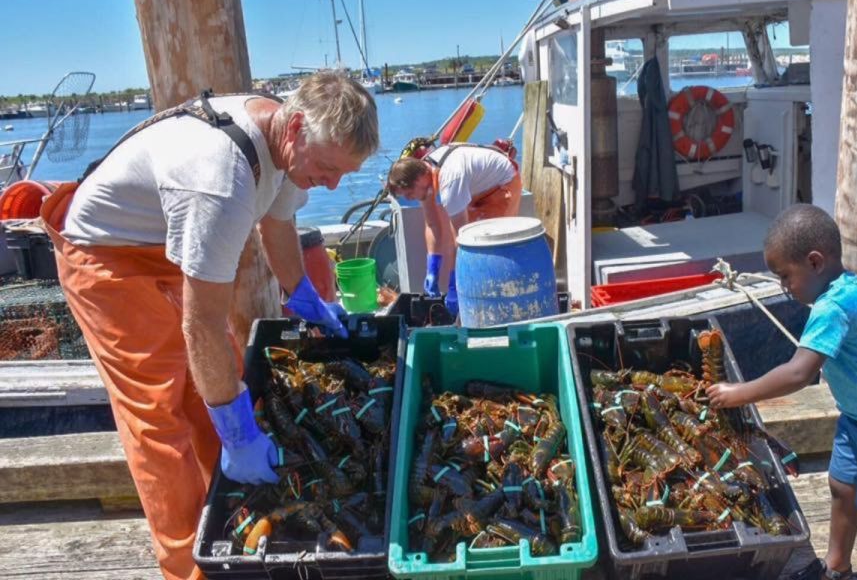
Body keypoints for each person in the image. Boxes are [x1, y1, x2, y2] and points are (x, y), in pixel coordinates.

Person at [39, 72, 379, 580]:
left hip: (161, 243)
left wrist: (305, 298)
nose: (332, 184)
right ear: (296, 126)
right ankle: (189, 568)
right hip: (104, 255)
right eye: (329, 168)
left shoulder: (288, 142)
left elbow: (278, 223)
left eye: (342, 175)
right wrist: (239, 433)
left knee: (217, 387)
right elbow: (201, 326)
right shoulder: (220, 181)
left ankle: (225, 519)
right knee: (159, 415)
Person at [706, 205, 857, 580]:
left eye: (785, 276)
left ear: (814, 262)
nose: (784, 287)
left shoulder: (831, 308)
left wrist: (738, 393)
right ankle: (837, 566)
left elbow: (798, 373)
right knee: (842, 486)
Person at [386, 142, 521, 315]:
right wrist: (432, 269)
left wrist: (453, 284)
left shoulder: (450, 181)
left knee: (486, 248)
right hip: (477, 187)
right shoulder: (425, 170)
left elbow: (462, 240)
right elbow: (432, 224)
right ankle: (472, 295)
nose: (409, 198)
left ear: (419, 179)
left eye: (408, 193)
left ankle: (498, 304)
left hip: (502, 184)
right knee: (467, 239)